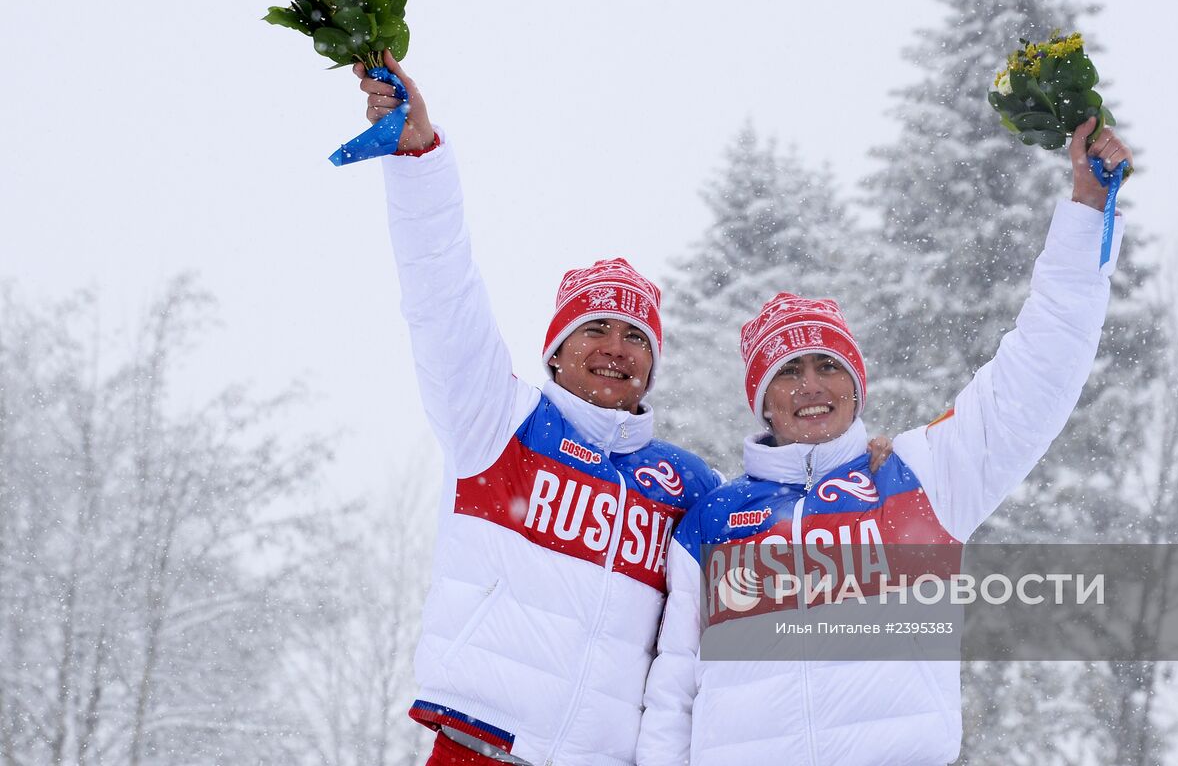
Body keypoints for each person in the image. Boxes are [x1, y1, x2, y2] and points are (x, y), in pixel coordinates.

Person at [636, 119, 1132, 765]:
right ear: (762, 400)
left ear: (855, 385)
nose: (811, 385)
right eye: (788, 371)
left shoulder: (921, 474)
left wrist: (1087, 213)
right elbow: (673, 696)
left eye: (827, 366)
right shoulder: (711, 524)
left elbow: (1035, 374)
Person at [355, 51, 723, 766]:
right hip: (479, 745)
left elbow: (791, 570)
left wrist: (864, 458)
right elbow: (442, 296)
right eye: (595, 329)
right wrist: (418, 160)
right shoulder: (499, 423)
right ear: (555, 350)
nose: (616, 348)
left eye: (635, 336)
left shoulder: (688, 488)